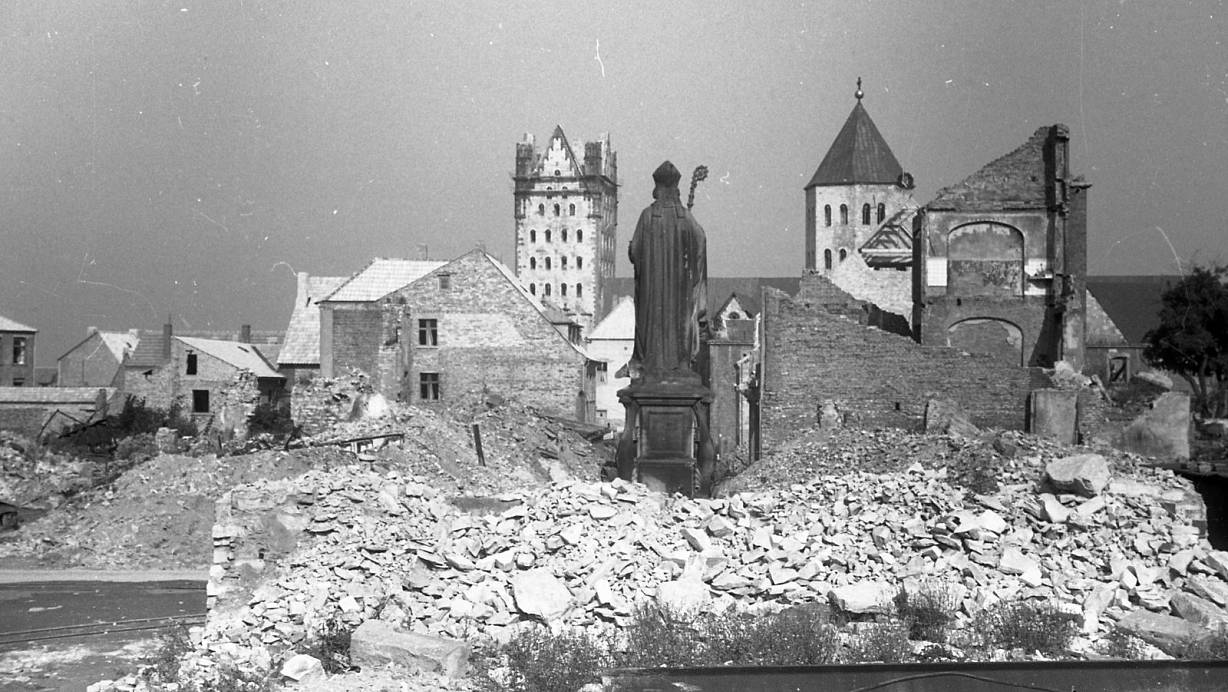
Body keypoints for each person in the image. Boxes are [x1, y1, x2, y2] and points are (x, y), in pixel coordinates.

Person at [628, 161, 708, 382]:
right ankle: (680, 364)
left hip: (652, 297)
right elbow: (701, 242)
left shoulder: (647, 215)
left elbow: (635, 252)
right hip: (679, 295)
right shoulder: (685, 216)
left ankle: (652, 364)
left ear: (657, 189)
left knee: (652, 329)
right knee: (680, 326)